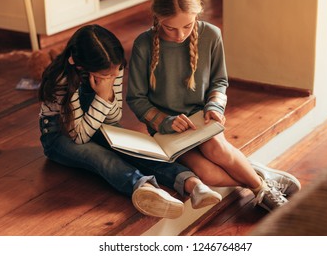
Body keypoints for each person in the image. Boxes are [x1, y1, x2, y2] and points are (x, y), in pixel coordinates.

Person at [126, 0, 301, 212]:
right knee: (207, 173)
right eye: (170, 27)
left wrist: (215, 107)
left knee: (215, 150)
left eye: (187, 26)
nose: (180, 35)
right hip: (166, 129)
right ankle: (260, 177)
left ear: (197, 15)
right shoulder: (143, 45)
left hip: (201, 119)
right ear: (157, 17)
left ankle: (264, 193)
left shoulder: (211, 35)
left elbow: (220, 81)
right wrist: (165, 122)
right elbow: (136, 99)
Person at [38, 24, 222, 219]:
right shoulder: (62, 80)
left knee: (134, 149)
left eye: (117, 71)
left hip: (97, 122)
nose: (114, 76)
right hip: (60, 134)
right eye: (106, 75)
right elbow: (80, 136)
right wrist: (102, 96)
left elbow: (113, 118)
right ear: (82, 67)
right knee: (101, 157)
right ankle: (144, 188)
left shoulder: (113, 67)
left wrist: (106, 92)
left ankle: (193, 184)